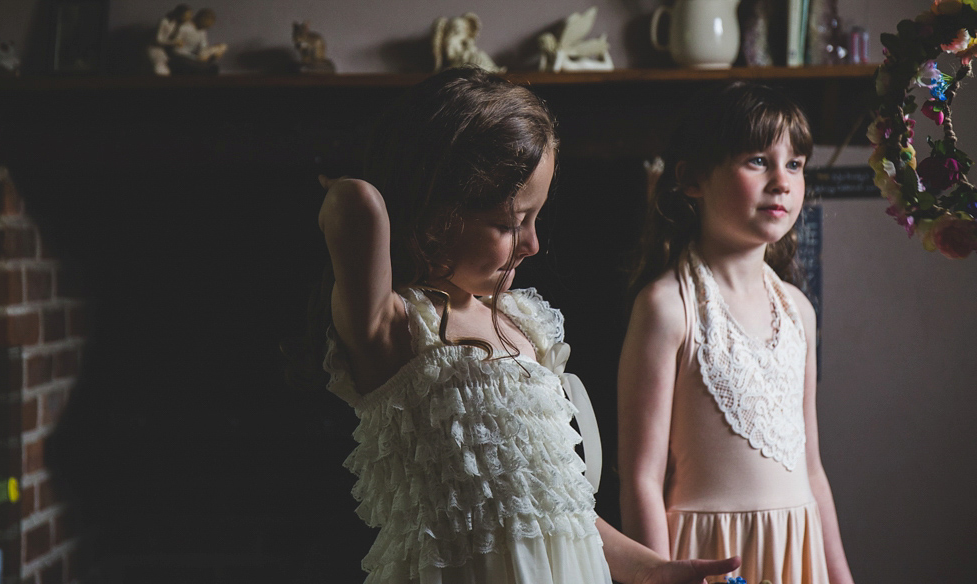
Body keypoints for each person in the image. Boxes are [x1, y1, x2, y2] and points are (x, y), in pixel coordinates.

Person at [315, 67, 740, 583]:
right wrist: (400, 175)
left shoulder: (525, 325)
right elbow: (355, 202)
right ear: (437, 211)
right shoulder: (395, 330)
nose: (533, 243)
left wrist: (655, 569)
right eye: (510, 223)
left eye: (535, 219)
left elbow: (560, 513)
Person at [618, 83, 855, 584]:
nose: (782, 182)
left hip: (797, 551)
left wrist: (840, 577)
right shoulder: (666, 308)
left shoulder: (799, 312)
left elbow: (812, 469)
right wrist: (661, 576)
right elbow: (642, 477)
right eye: (757, 161)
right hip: (706, 561)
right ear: (692, 179)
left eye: (795, 164)